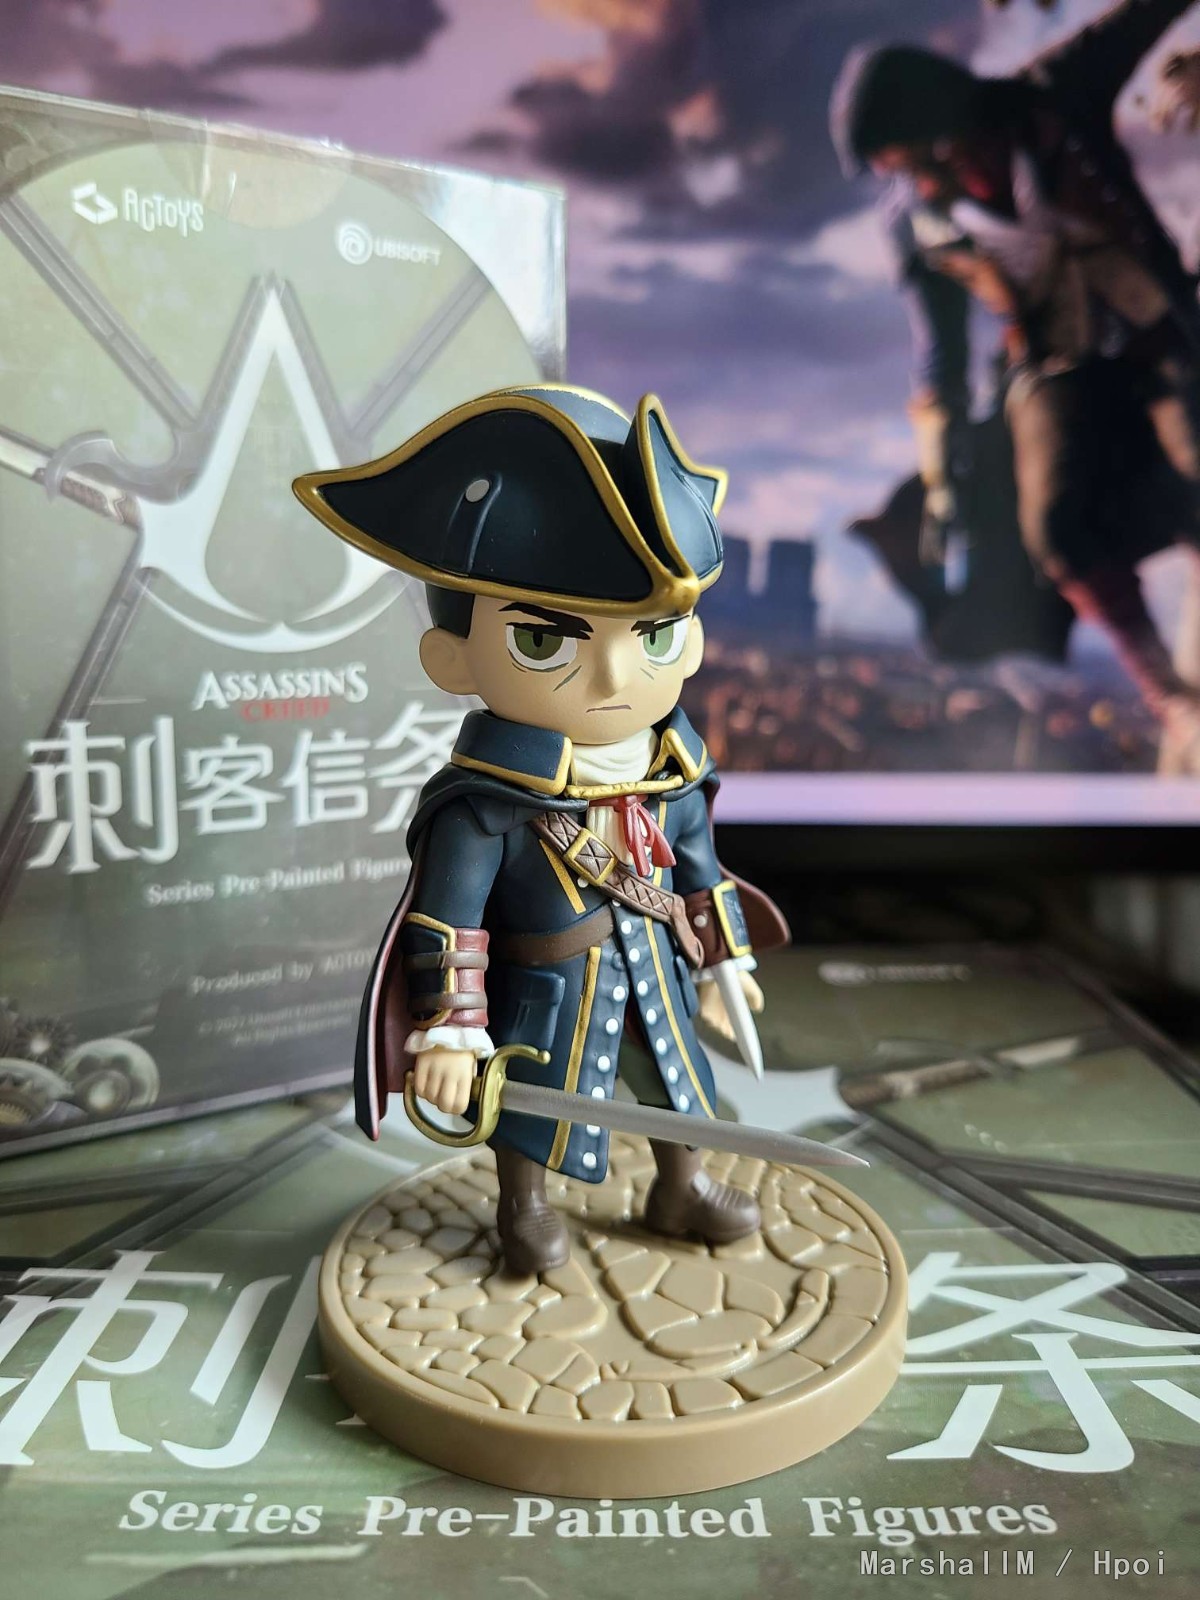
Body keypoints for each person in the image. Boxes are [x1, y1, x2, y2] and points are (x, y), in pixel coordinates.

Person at [295, 384, 788, 1275]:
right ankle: (522, 1205)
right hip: (546, 981)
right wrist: (451, 1026)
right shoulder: (486, 801)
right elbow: (448, 919)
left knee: (678, 1081)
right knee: (529, 1101)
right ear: (453, 658)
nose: (614, 676)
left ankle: (680, 1186)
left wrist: (723, 961)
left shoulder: (672, 769)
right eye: (543, 642)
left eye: (653, 635)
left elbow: (699, 868)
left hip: (656, 964)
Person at [831, 0, 1200, 763]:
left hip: (1156, 330)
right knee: (1056, 528)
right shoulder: (915, 225)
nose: (907, 176)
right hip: (1052, 363)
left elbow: (1142, 14)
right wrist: (941, 461)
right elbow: (941, 354)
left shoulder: (1054, 94)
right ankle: (1171, 695)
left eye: (903, 154)